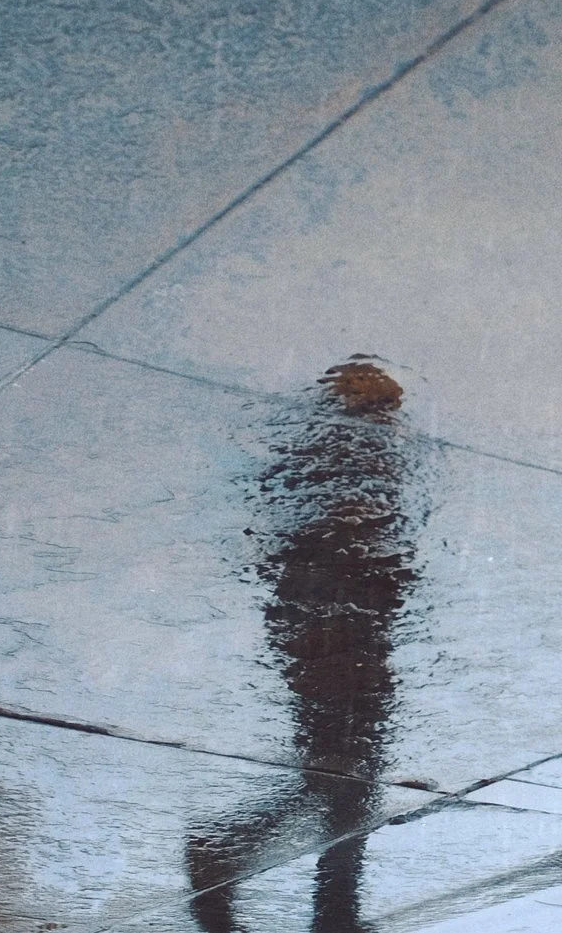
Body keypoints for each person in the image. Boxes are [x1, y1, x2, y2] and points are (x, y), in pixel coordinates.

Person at [186, 357, 423, 933]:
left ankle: (312, 901)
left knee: (346, 779)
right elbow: (364, 555)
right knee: (347, 779)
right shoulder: (352, 470)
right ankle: (327, 909)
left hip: (336, 638)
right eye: (383, 410)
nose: (391, 422)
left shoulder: (333, 468)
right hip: (343, 641)